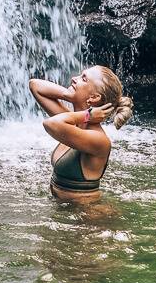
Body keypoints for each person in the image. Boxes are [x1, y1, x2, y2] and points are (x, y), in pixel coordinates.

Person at [29, 66, 133, 203]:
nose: (74, 78)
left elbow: (50, 124)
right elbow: (35, 85)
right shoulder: (73, 123)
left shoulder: (99, 140)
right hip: (67, 214)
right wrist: (68, 94)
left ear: (94, 97)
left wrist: (87, 115)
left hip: (89, 218)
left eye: (83, 78)